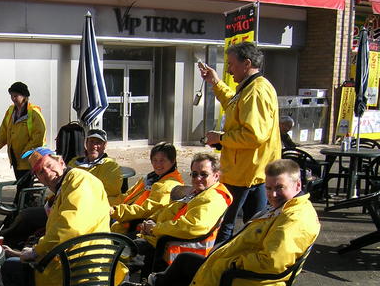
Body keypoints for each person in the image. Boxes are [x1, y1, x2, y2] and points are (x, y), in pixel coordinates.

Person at [119, 159, 319, 286]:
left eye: (279, 188)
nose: (273, 194)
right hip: (233, 273)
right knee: (185, 264)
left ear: (297, 185)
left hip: (246, 285)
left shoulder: (295, 218)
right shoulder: (283, 208)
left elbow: (271, 262)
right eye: (268, 188)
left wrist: (228, 263)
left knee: (182, 278)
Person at [1, 147, 114, 286]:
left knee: (12, 269)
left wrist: (36, 251)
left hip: (84, 271)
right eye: (40, 172)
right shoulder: (66, 184)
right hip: (76, 261)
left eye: (49, 166)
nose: (46, 173)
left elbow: (70, 228)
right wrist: (34, 248)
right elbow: (61, 228)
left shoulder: (80, 181)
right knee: (19, 262)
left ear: (61, 162)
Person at [199, 42, 281, 243]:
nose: (229, 69)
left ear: (247, 64)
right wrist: (215, 82)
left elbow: (254, 136)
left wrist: (221, 138)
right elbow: (233, 103)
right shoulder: (250, 88)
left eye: (231, 64)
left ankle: (219, 259)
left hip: (244, 172)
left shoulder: (256, 91)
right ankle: (244, 254)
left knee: (225, 223)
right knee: (254, 224)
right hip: (250, 171)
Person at [132, 153, 232, 272]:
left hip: (172, 250)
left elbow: (191, 226)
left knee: (119, 260)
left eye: (204, 174)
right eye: (194, 174)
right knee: (119, 245)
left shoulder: (213, 199)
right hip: (158, 239)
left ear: (216, 176)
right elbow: (171, 209)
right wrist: (151, 220)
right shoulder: (199, 192)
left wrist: (154, 228)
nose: (198, 178)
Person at [110, 142, 184, 234]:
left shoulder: (168, 185)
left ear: (172, 161)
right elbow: (128, 196)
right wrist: (105, 202)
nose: (158, 164)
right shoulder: (151, 177)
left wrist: (114, 211)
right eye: (154, 160)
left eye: (162, 160)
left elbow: (146, 210)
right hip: (124, 215)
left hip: (136, 227)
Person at [0, 82, 46, 193]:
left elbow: (39, 136)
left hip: (29, 158)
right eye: (11, 95)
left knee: (25, 187)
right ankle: (24, 202)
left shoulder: (34, 113)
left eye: (16, 96)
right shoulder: (11, 111)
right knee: (22, 186)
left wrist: (26, 152)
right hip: (16, 157)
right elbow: (3, 131)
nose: (13, 98)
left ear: (24, 96)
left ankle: (22, 203)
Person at [68, 128, 123, 207]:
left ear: (104, 145)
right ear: (86, 144)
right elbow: (64, 184)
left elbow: (109, 192)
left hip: (100, 207)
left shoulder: (111, 166)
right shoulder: (74, 163)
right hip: (73, 203)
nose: (94, 146)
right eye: (91, 141)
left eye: (98, 143)